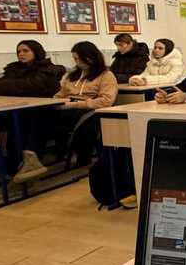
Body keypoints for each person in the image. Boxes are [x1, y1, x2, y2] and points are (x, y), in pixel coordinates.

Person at [14, 42, 118, 182]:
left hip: (89, 109)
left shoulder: (106, 75)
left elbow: (106, 101)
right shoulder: (71, 76)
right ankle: (31, 157)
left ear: (90, 57)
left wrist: (74, 104)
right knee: (34, 116)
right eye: (75, 59)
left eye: (79, 58)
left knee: (46, 122)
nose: (77, 62)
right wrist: (55, 102)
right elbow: (60, 94)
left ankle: (33, 158)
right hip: (67, 107)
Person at [0, 39, 65, 98]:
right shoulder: (14, 68)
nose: (21, 54)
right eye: (19, 52)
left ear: (36, 52)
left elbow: (34, 87)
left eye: (25, 51)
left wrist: (8, 86)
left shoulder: (48, 69)